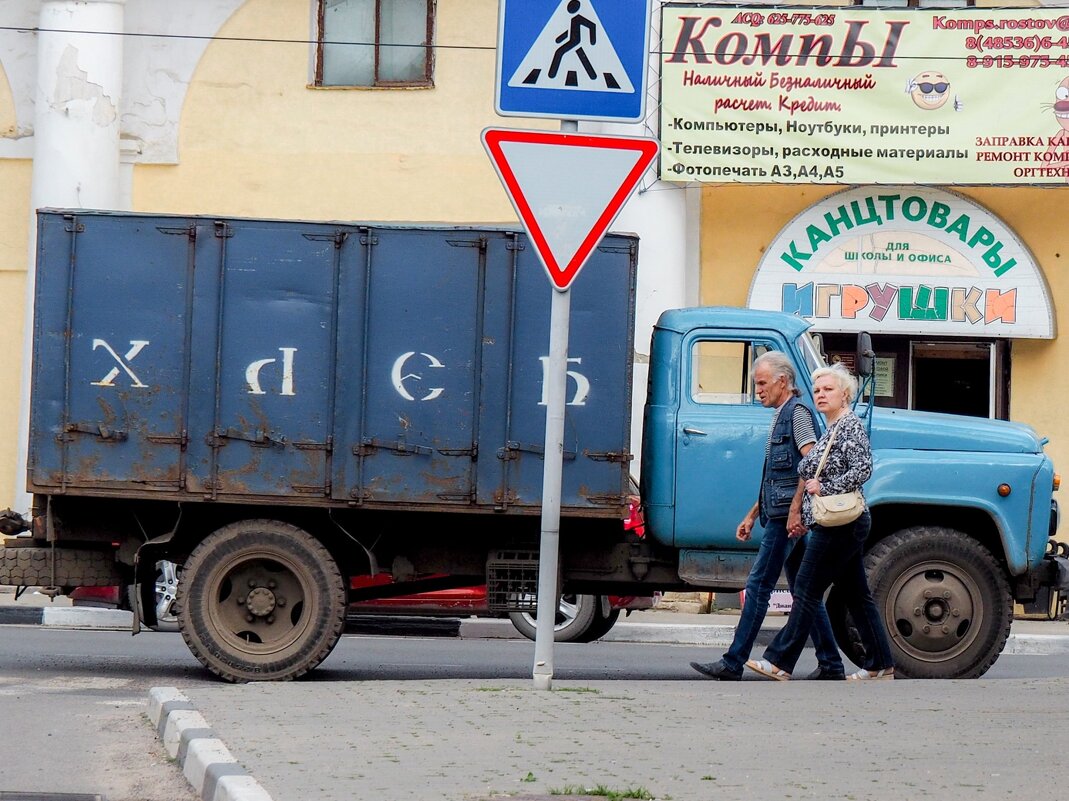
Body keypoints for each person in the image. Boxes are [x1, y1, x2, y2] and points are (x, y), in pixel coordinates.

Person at [690, 351, 845, 681]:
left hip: (786, 521)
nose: (758, 390)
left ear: (783, 382)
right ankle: (831, 664)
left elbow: (811, 462)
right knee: (806, 591)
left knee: (759, 585)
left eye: (762, 383)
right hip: (780, 514)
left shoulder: (797, 414)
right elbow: (776, 477)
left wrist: (794, 511)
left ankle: (733, 662)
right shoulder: (781, 414)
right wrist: (750, 514)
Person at [746, 363, 895, 682]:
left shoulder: (849, 425)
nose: (820, 395)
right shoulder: (832, 427)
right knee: (856, 595)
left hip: (842, 524)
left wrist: (824, 487)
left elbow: (864, 468)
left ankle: (779, 661)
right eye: (816, 390)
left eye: (828, 389)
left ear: (845, 394)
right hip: (836, 524)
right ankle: (880, 663)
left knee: (806, 588)